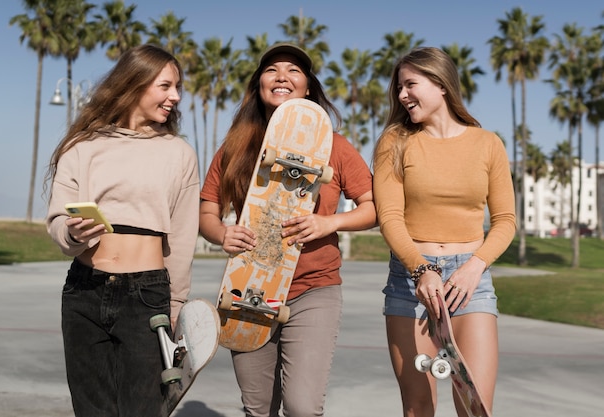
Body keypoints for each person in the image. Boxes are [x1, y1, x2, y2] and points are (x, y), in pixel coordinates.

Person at [199, 43, 376, 417]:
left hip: (315, 289)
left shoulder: (335, 147)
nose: (282, 76)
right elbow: (207, 207)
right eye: (272, 70)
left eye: (294, 70)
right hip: (250, 287)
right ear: (259, 84)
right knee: (257, 408)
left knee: (302, 407)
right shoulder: (235, 146)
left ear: (308, 87)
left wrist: (331, 222)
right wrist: (220, 233)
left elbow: (373, 208)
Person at [45, 44, 199, 417]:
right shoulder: (83, 147)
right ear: (135, 83)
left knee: (143, 409)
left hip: (146, 297)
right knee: (91, 409)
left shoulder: (178, 153)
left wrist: (176, 302)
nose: (175, 97)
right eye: (165, 86)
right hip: (84, 291)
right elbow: (56, 220)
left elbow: (181, 235)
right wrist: (73, 233)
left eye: (177, 87)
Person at [372, 46, 516, 417]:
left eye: (410, 84)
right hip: (411, 281)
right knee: (417, 408)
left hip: (470, 282)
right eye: (399, 87)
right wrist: (421, 269)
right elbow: (390, 217)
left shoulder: (487, 144)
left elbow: (505, 221)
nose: (402, 95)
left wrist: (474, 267)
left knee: (475, 408)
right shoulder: (395, 142)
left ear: (440, 85)